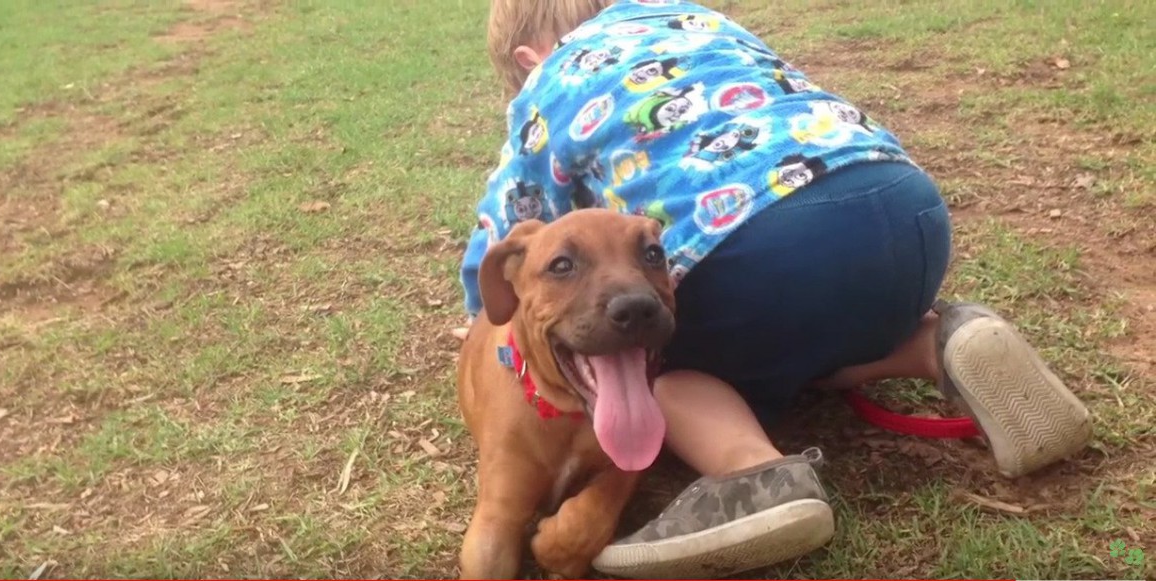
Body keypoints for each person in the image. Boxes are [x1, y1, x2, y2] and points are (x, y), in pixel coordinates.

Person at [455, 0, 1093, 577]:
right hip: (908, 208)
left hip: (767, 243)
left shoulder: (550, 81)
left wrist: (486, 314)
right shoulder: (694, 19)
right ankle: (937, 343)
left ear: (527, 60)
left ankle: (752, 472)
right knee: (789, 329)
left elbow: (506, 229)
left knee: (665, 369)